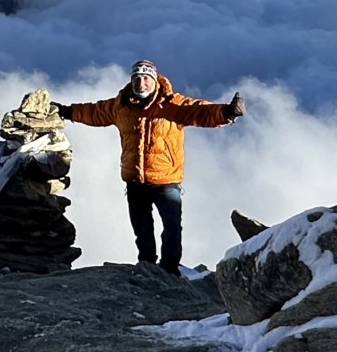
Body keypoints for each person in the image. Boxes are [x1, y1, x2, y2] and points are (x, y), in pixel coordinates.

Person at [52, 59, 245, 275]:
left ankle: (170, 268)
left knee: (171, 228)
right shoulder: (121, 106)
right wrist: (66, 111)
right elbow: (95, 112)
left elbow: (199, 111)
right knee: (142, 229)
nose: (141, 83)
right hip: (135, 181)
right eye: (137, 78)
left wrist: (227, 113)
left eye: (146, 78)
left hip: (166, 181)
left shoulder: (172, 105)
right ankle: (147, 266)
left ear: (154, 80)